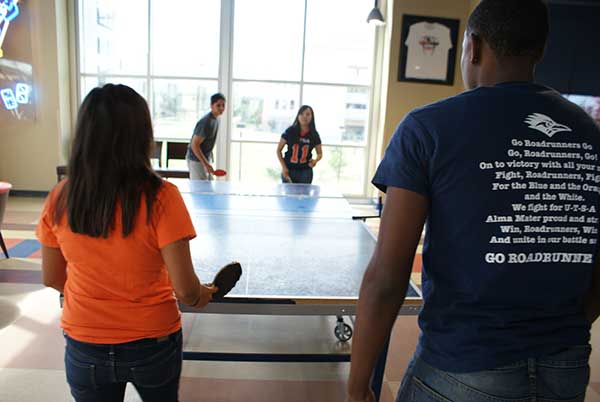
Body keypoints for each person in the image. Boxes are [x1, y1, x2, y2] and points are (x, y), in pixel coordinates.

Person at [346, 1, 600, 401]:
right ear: (540, 50)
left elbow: (387, 276)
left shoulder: (427, 127)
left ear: (473, 46)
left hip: (464, 364)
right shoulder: (589, 132)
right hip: (566, 368)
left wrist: (358, 383)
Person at [36, 84, 218, 402]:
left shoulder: (60, 198)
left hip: (84, 342)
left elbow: (52, 278)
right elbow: (186, 291)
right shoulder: (162, 197)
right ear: (141, 135)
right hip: (153, 344)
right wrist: (203, 294)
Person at [276, 105, 323, 183]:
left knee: (304, 194)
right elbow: (278, 150)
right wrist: (284, 167)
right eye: (301, 114)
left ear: (312, 117)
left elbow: (320, 153)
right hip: (289, 169)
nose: (304, 117)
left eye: (308, 114)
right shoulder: (290, 131)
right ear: (298, 116)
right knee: (287, 194)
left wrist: (315, 161)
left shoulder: (314, 134)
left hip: (305, 171)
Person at [186, 92, 226, 180]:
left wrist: (208, 160)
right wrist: (206, 164)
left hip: (205, 158)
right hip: (195, 160)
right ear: (211, 105)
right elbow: (194, 145)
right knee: (199, 190)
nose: (221, 108)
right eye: (218, 105)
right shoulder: (206, 122)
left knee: (208, 187)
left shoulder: (216, 119)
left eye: (223, 105)